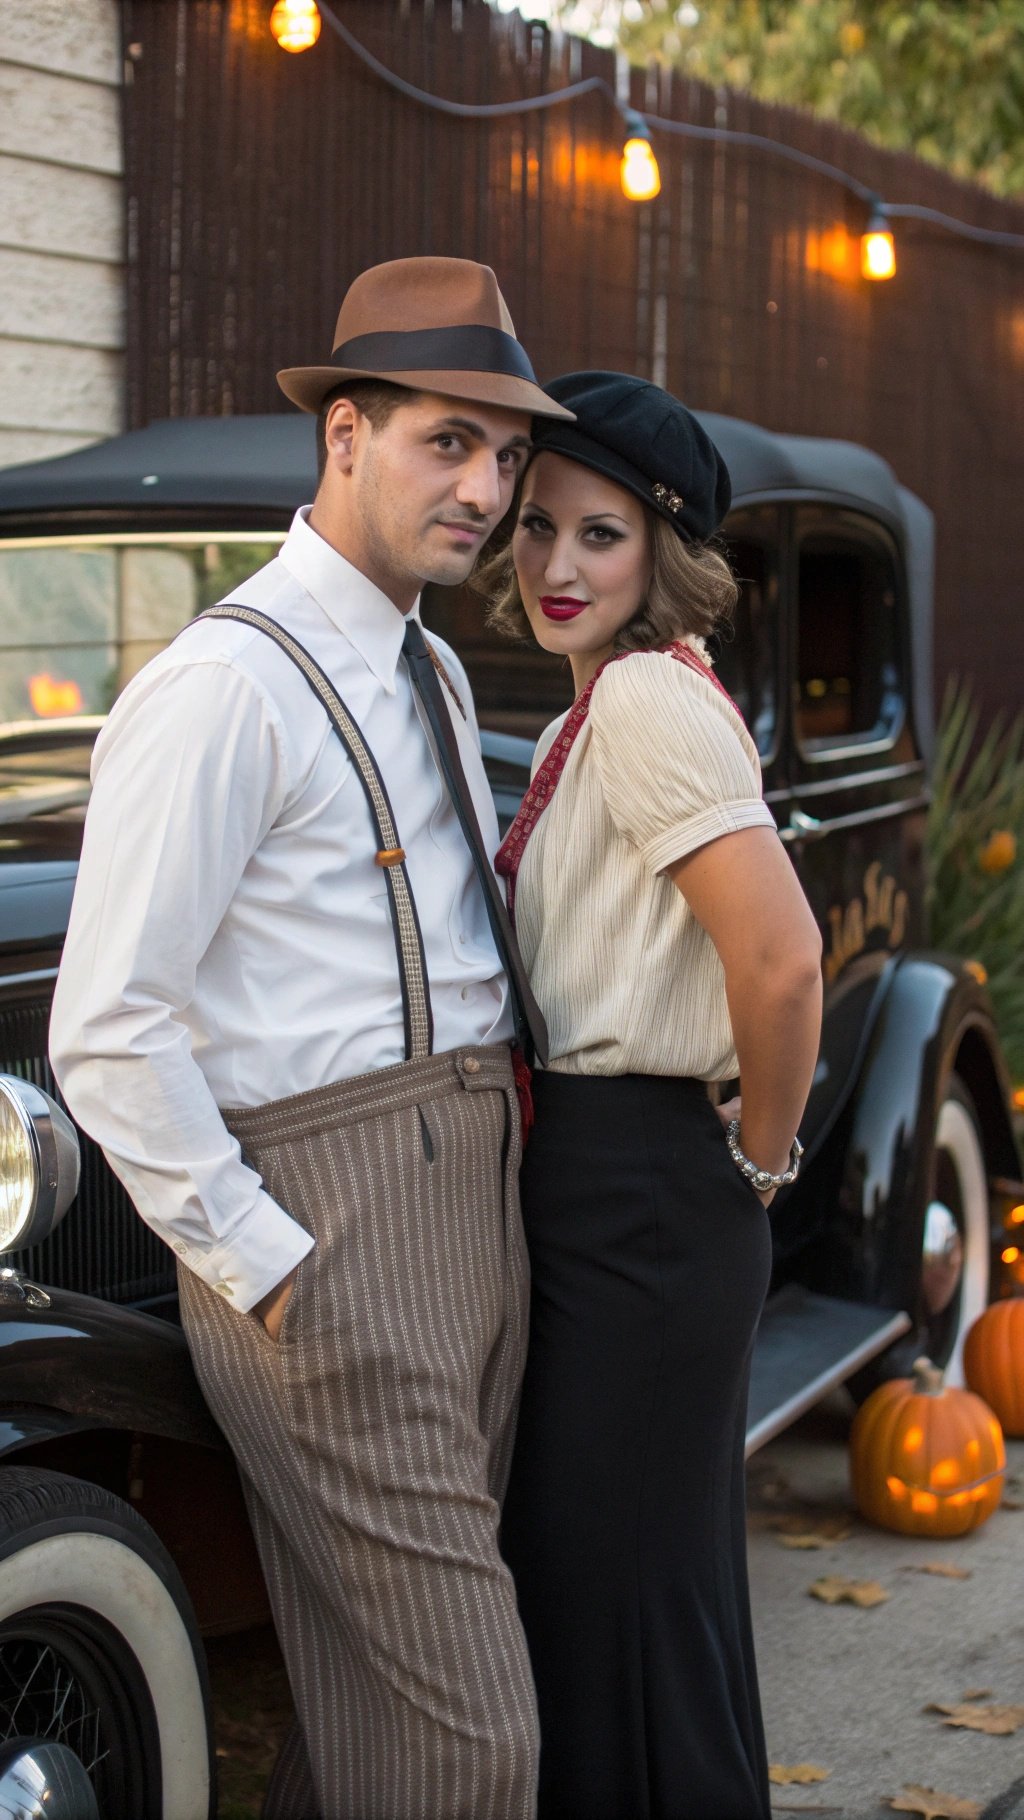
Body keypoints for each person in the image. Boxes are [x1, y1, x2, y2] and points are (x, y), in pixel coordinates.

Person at [49, 256, 575, 1820]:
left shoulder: (421, 662)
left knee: (371, 1720)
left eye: (505, 454)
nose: (485, 488)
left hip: (471, 1210)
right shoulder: (225, 684)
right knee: (480, 1745)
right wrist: (266, 1260)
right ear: (345, 432)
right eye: (446, 442)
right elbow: (110, 1023)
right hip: (329, 1233)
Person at [487, 371, 824, 1819]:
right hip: (612, 1197)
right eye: (538, 526)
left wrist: (756, 1164)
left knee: (614, 1594)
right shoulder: (602, 707)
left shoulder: (638, 696)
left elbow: (786, 960)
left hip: (647, 1199)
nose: (558, 567)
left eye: (601, 536)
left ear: (664, 554)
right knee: (624, 1593)